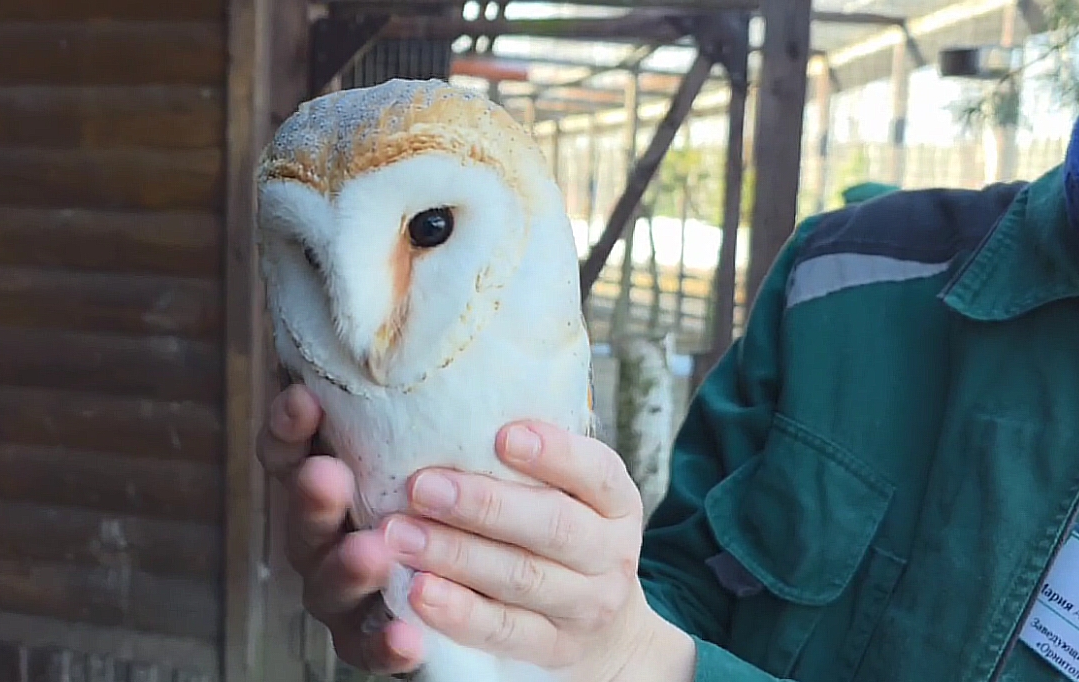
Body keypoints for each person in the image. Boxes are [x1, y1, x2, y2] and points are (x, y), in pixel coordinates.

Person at [259, 120, 1079, 682]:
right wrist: (529, 622)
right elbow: (683, 584)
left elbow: (647, 648)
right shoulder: (847, 273)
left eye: (429, 230)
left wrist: (634, 658)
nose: (360, 323)